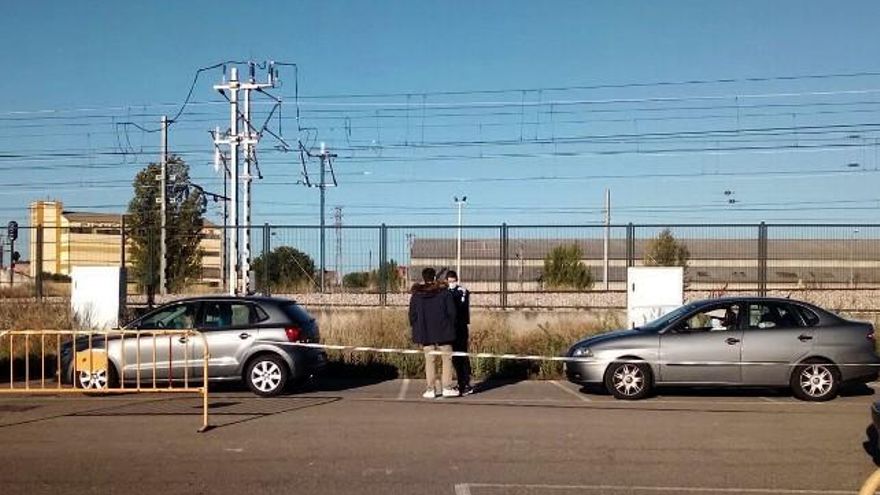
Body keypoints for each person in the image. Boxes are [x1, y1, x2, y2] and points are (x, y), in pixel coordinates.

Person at [409, 267, 458, 399]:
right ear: (435, 277)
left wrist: (416, 327)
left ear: (423, 278)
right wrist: (450, 325)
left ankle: (430, 389)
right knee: (447, 357)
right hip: (444, 331)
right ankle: (447, 386)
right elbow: (452, 313)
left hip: (425, 332)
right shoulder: (444, 293)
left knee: (429, 359)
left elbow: (412, 315)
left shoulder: (417, 295)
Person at [446, 270, 473, 396]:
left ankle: (465, 382)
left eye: (453, 280)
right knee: (455, 357)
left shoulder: (462, 291)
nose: (451, 283)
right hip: (451, 328)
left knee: (462, 355)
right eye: (449, 281)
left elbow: (460, 306)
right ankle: (461, 382)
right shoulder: (446, 292)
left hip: (461, 327)